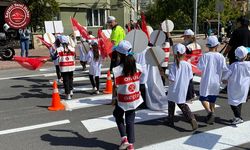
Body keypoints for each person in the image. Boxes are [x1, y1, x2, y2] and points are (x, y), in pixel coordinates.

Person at [112, 40, 143, 150]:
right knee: (130, 120)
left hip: (122, 100)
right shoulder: (139, 67)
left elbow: (115, 87)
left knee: (117, 115)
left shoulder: (116, 70)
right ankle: (130, 144)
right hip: (134, 98)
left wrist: (113, 98)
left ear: (119, 54)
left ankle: (124, 138)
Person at [197, 36, 229, 124]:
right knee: (212, 99)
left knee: (203, 98)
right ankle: (212, 114)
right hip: (216, 81)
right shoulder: (221, 57)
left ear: (208, 46)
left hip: (206, 80)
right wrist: (224, 79)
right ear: (217, 45)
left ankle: (210, 113)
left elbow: (199, 67)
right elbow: (225, 69)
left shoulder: (205, 56)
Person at [166, 43, 198, 130]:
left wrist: (163, 74)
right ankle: (191, 118)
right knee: (182, 105)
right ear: (184, 53)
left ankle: (170, 119)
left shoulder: (173, 65)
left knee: (171, 103)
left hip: (173, 88)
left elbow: (171, 79)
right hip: (183, 88)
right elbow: (190, 77)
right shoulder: (187, 64)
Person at [223, 46, 250, 125]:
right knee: (240, 101)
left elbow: (226, 75)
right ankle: (238, 116)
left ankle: (238, 117)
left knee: (233, 102)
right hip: (244, 87)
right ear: (246, 55)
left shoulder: (233, 65)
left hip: (234, 87)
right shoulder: (248, 64)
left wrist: (224, 79)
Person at [182, 29, 201, 102]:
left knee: (188, 81)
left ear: (189, 37)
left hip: (188, 65)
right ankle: (192, 94)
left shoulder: (188, 46)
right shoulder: (198, 45)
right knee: (191, 80)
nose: (184, 38)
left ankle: (190, 96)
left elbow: (184, 56)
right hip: (195, 65)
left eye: (185, 37)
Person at [57, 35, 76, 100]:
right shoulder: (72, 48)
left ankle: (68, 94)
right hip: (71, 66)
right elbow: (74, 57)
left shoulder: (59, 49)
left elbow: (54, 57)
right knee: (71, 79)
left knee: (65, 81)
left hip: (63, 67)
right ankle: (71, 91)